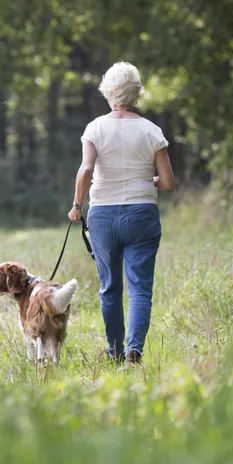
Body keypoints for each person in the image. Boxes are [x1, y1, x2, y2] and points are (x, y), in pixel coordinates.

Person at [68, 61, 175, 365]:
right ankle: (134, 352)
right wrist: (148, 180)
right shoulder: (152, 130)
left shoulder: (95, 128)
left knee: (110, 288)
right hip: (142, 214)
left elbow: (86, 169)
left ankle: (114, 353)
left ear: (108, 92)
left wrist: (77, 206)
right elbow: (167, 182)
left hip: (103, 215)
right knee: (140, 288)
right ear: (136, 93)